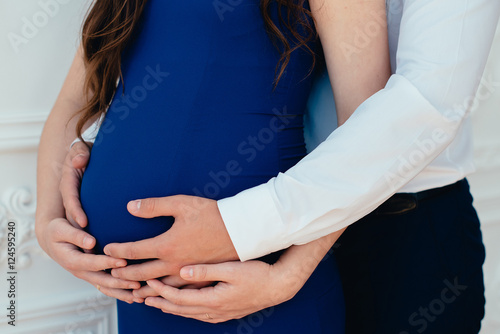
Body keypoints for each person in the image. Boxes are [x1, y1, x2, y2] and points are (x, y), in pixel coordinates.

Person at [36, 0, 393, 333]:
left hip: (260, 292)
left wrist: (287, 276)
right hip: (139, 299)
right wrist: (46, 223)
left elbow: (371, 137)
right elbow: (72, 100)